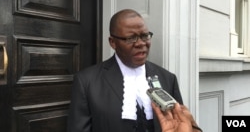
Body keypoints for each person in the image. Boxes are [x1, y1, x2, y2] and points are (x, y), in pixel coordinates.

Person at [67, 9, 199, 132]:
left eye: (145, 36)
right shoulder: (87, 81)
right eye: (131, 38)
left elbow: (182, 123)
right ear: (113, 42)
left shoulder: (168, 78)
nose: (141, 43)